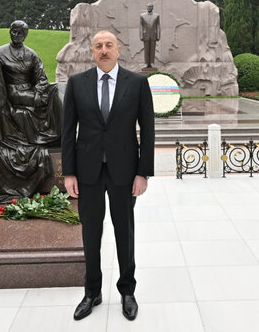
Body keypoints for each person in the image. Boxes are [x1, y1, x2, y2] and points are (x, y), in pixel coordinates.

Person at [61, 30, 155, 321]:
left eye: (109, 45)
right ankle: (92, 292)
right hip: (87, 171)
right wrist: (69, 172)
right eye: (98, 46)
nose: (104, 50)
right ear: (92, 52)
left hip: (124, 171)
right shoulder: (77, 83)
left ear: (118, 50)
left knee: (124, 232)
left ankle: (127, 291)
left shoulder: (137, 83)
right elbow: (67, 131)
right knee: (90, 233)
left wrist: (143, 173)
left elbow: (148, 130)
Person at [0, 20, 61, 205]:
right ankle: (45, 134)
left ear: (25, 35)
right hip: (12, 94)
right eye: (14, 32)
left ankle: (55, 134)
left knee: (56, 91)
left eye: (20, 33)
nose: (16, 35)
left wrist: (39, 92)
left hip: (30, 91)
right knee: (42, 100)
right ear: (10, 32)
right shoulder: (0, 52)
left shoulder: (31, 54)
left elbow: (41, 77)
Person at [139, 3, 161, 68]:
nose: (149, 8)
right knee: (146, 50)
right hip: (145, 35)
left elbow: (158, 26)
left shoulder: (156, 15)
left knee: (152, 50)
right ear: (146, 7)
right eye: (148, 6)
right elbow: (141, 26)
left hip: (153, 34)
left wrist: (158, 35)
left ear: (152, 7)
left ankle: (152, 62)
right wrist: (141, 35)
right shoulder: (142, 15)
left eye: (150, 6)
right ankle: (146, 63)